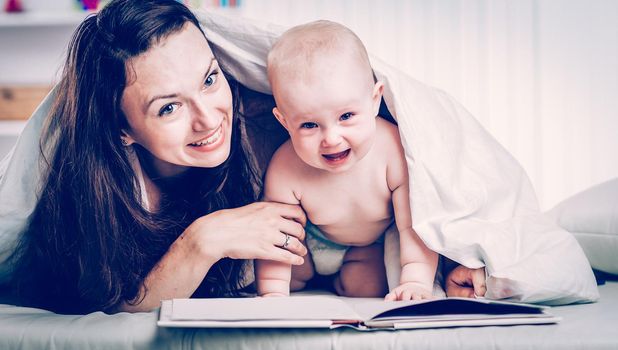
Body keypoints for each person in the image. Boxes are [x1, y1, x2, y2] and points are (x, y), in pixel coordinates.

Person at [6, 0, 485, 314]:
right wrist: (203, 241)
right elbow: (108, 305)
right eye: (169, 107)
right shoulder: (96, 194)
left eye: (210, 79)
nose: (209, 118)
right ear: (122, 129)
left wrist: (453, 261)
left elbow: (410, 196)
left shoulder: (260, 118)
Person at [256, 21, 438, 301]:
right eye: (308, 125)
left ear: (375, 100)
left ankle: (339, 283)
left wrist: (416, 281)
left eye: (346, 117)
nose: (331, 138)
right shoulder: (285, 168)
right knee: (288, 274)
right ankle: (302, 281)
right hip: (310, 240)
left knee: (367, 288)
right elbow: (279, 235)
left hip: (366, 247)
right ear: (284, 121)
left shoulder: (393, 151)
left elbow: (412, 225)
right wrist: (272, 292)